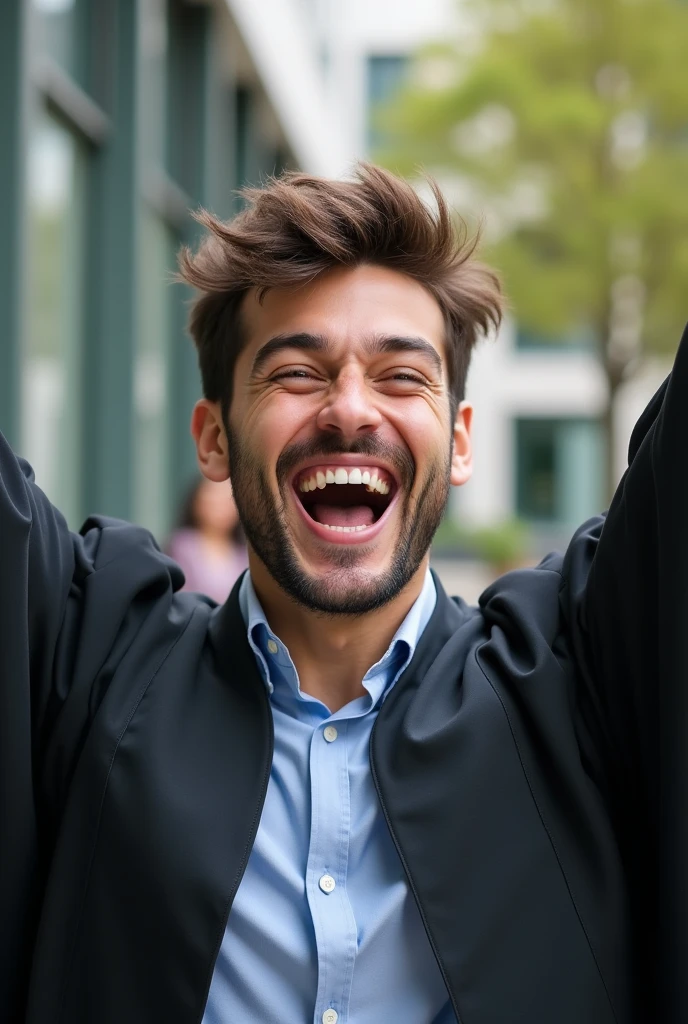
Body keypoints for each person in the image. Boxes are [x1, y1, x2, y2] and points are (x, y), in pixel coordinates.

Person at [0, 164, 685, 1024]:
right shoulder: (90, 662)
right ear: (213, 438)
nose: (350, 409)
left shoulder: (577, 679)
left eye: (403, 376)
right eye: (295, 373)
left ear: (460, 442)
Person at [166, 476, 248, 603]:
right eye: (213, 497)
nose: (220, 506)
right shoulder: (183, 546)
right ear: (197, 501)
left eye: (227, 500)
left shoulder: (244, 554)